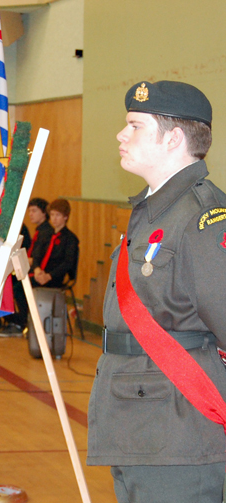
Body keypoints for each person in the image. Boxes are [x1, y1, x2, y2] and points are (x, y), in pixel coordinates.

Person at [87, 80, 226, 503]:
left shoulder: (203, 217)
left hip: (179, 428)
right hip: (136, 419)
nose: (120, 135)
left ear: (174, 139)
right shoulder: (152, 209)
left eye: (135, 125)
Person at [0, 198, 53, 337]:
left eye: (34, 211)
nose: (30, 214)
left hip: (41, 272)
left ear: (44, 213)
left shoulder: (46, 232)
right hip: (34, 268)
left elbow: (38, 258)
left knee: (15, 287)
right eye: (29, 211)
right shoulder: (40, 230)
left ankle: (20, 322)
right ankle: (15, 320)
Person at [31, 198, 79, 289]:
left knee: (20, 288)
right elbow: (36, 255)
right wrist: (37, 270)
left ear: (65, 217)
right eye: (52, 215)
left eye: (58, 215)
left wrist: (49, 276)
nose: (54, 218)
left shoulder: (70, 238)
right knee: (19, 284)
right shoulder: (47, 234)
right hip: (40, 273)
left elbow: (68, 263)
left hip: (55, 277)